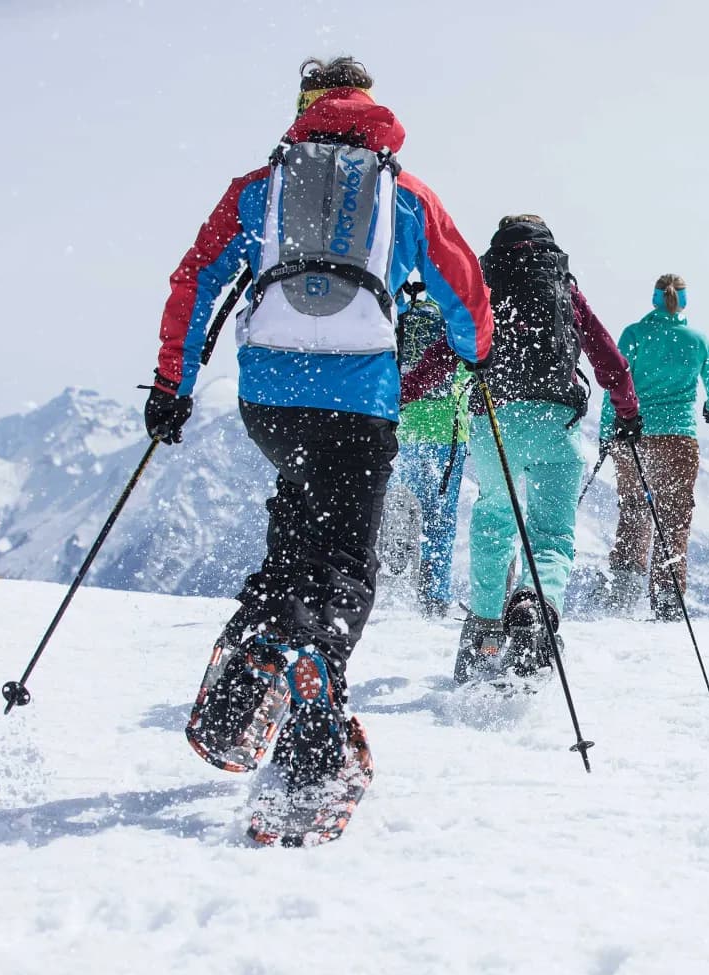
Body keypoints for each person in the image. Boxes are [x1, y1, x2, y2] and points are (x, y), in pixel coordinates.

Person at [146, 56, 492, 798]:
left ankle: (264, 645)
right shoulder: (403, 193)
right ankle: (317, 681)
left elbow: (195, 279)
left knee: (303, 509)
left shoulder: (262, 188)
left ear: (305, 108)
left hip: (271, 397)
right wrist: (476, 356)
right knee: (344, 558)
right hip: (361, 398)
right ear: (371, 111)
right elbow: (462, 287)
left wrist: (173, 384)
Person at [407, 215, 640, 682]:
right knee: (552, 533)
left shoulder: (485, 288)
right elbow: (607, 356)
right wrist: (628, 411)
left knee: (495, 520)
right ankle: (536, 605)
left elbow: (448, 350)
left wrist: (402, 390)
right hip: (558, 423)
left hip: (497, 421)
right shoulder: (564, 291)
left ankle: (485, 627)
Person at [598, 274, 709, 621]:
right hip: (680, 439)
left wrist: (604, 433)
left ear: (655, 299)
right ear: (683, 301)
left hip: (634, 435)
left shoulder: (635, 335)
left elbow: (615, 381)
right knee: (674, 517)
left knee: (634, 511)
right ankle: (668, 597)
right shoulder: (698, 340)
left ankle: (622, 594)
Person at [381, 285, 471, 618]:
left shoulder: (404, 315)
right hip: (446, 431)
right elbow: (467, 369)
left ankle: (393, 577)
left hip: (405, 425)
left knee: (400, 501)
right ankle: (434, 595)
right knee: (440, 519)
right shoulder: (455, 319)